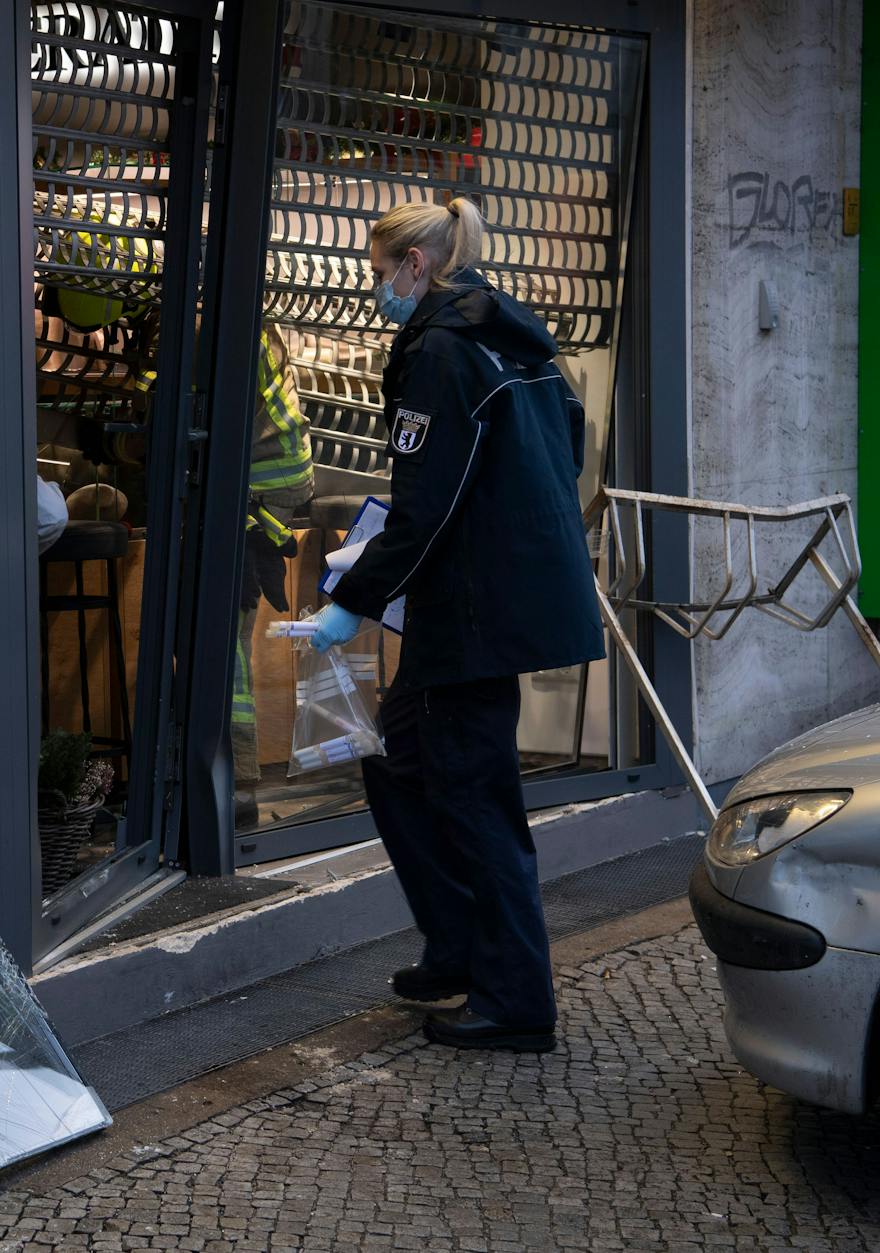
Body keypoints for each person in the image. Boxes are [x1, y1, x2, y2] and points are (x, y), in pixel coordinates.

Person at [306, 198, 603, 1053]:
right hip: (498, 599)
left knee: (476, 800)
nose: (375, 292)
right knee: (398, 759)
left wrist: (350, 601)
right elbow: (567, 445)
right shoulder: (511, 335)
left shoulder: (440, 349)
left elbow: (425, 503)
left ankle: (516, 999)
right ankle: (458, 945)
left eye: (376, 274)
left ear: (415, 266)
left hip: (473, 614)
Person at [233, 329, 315, 828]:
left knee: (226, 640)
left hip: (255, 482)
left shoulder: (204, 321)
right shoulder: (249, 315)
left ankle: (238, 782)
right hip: (273, 479)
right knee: (230, 633)